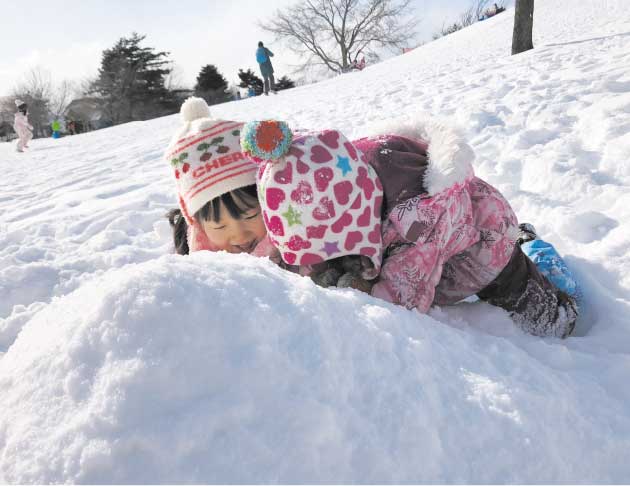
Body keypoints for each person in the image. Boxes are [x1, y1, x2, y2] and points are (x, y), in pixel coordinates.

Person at [239, 119, 578, 339]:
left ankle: (537, 252)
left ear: (351, 227)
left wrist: (355, 289)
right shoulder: (332, 174)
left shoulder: (416, 221)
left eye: (326, 251)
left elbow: (402, 303)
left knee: (550, 323)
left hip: (488, 244)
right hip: (437, 247)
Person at [164, 97, 279, 260]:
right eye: (219, 226)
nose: (240, 236)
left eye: (250, 215)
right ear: (198, 224)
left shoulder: (300, 238)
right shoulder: (197, 258)